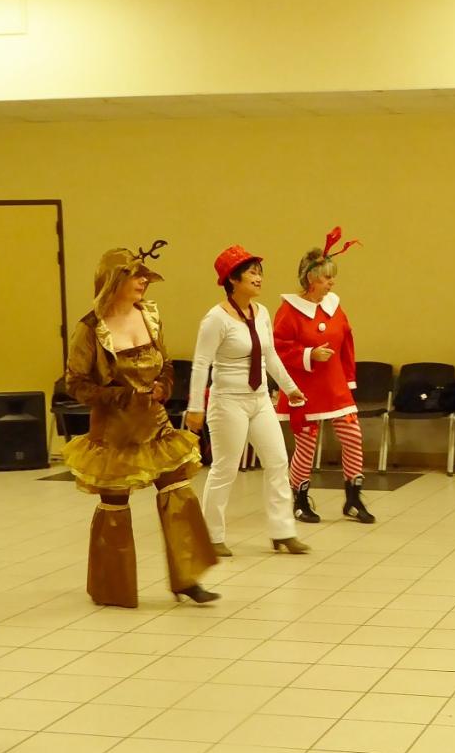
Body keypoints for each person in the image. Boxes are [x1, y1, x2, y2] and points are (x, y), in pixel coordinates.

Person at [62, 242, 219, 608]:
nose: (144, 282)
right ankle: (111, 586)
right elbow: (75, 383)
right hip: (115, 432)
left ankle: (188, 578)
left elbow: (166, 363)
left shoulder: (149, 315)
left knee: (178, 491)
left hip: (156, 426)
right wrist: (120, 395)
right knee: (114, 507)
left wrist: (164, 385)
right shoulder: (90, 328)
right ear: (114, 280)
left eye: (145, 277)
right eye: (136, 276)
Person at [185, 245, 310, 556]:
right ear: (233, 279)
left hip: (260, 399)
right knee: (225, 469)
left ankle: (283, 532)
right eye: (252, 273)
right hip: (228, 401)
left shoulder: (262, 312)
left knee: (278, 462)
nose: (258, 278)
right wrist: (195, 407)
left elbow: (271, 356)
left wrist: (290, 388)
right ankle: (212, 536)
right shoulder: (216, 318)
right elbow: (201, 364)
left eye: (260, 273)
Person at [273, 227, 374, 524]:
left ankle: (353, 498)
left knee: (353, 436)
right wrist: (308, 354)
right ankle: (299, 499)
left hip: (334, 386)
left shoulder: (334, 307)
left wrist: (348, 377)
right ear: (310, 279)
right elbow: (278, 348)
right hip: (304, 388)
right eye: (327, 277)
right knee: (306, 444)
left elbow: (347, 341)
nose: (332, 282)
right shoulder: (289, 310)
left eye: (332, 277)